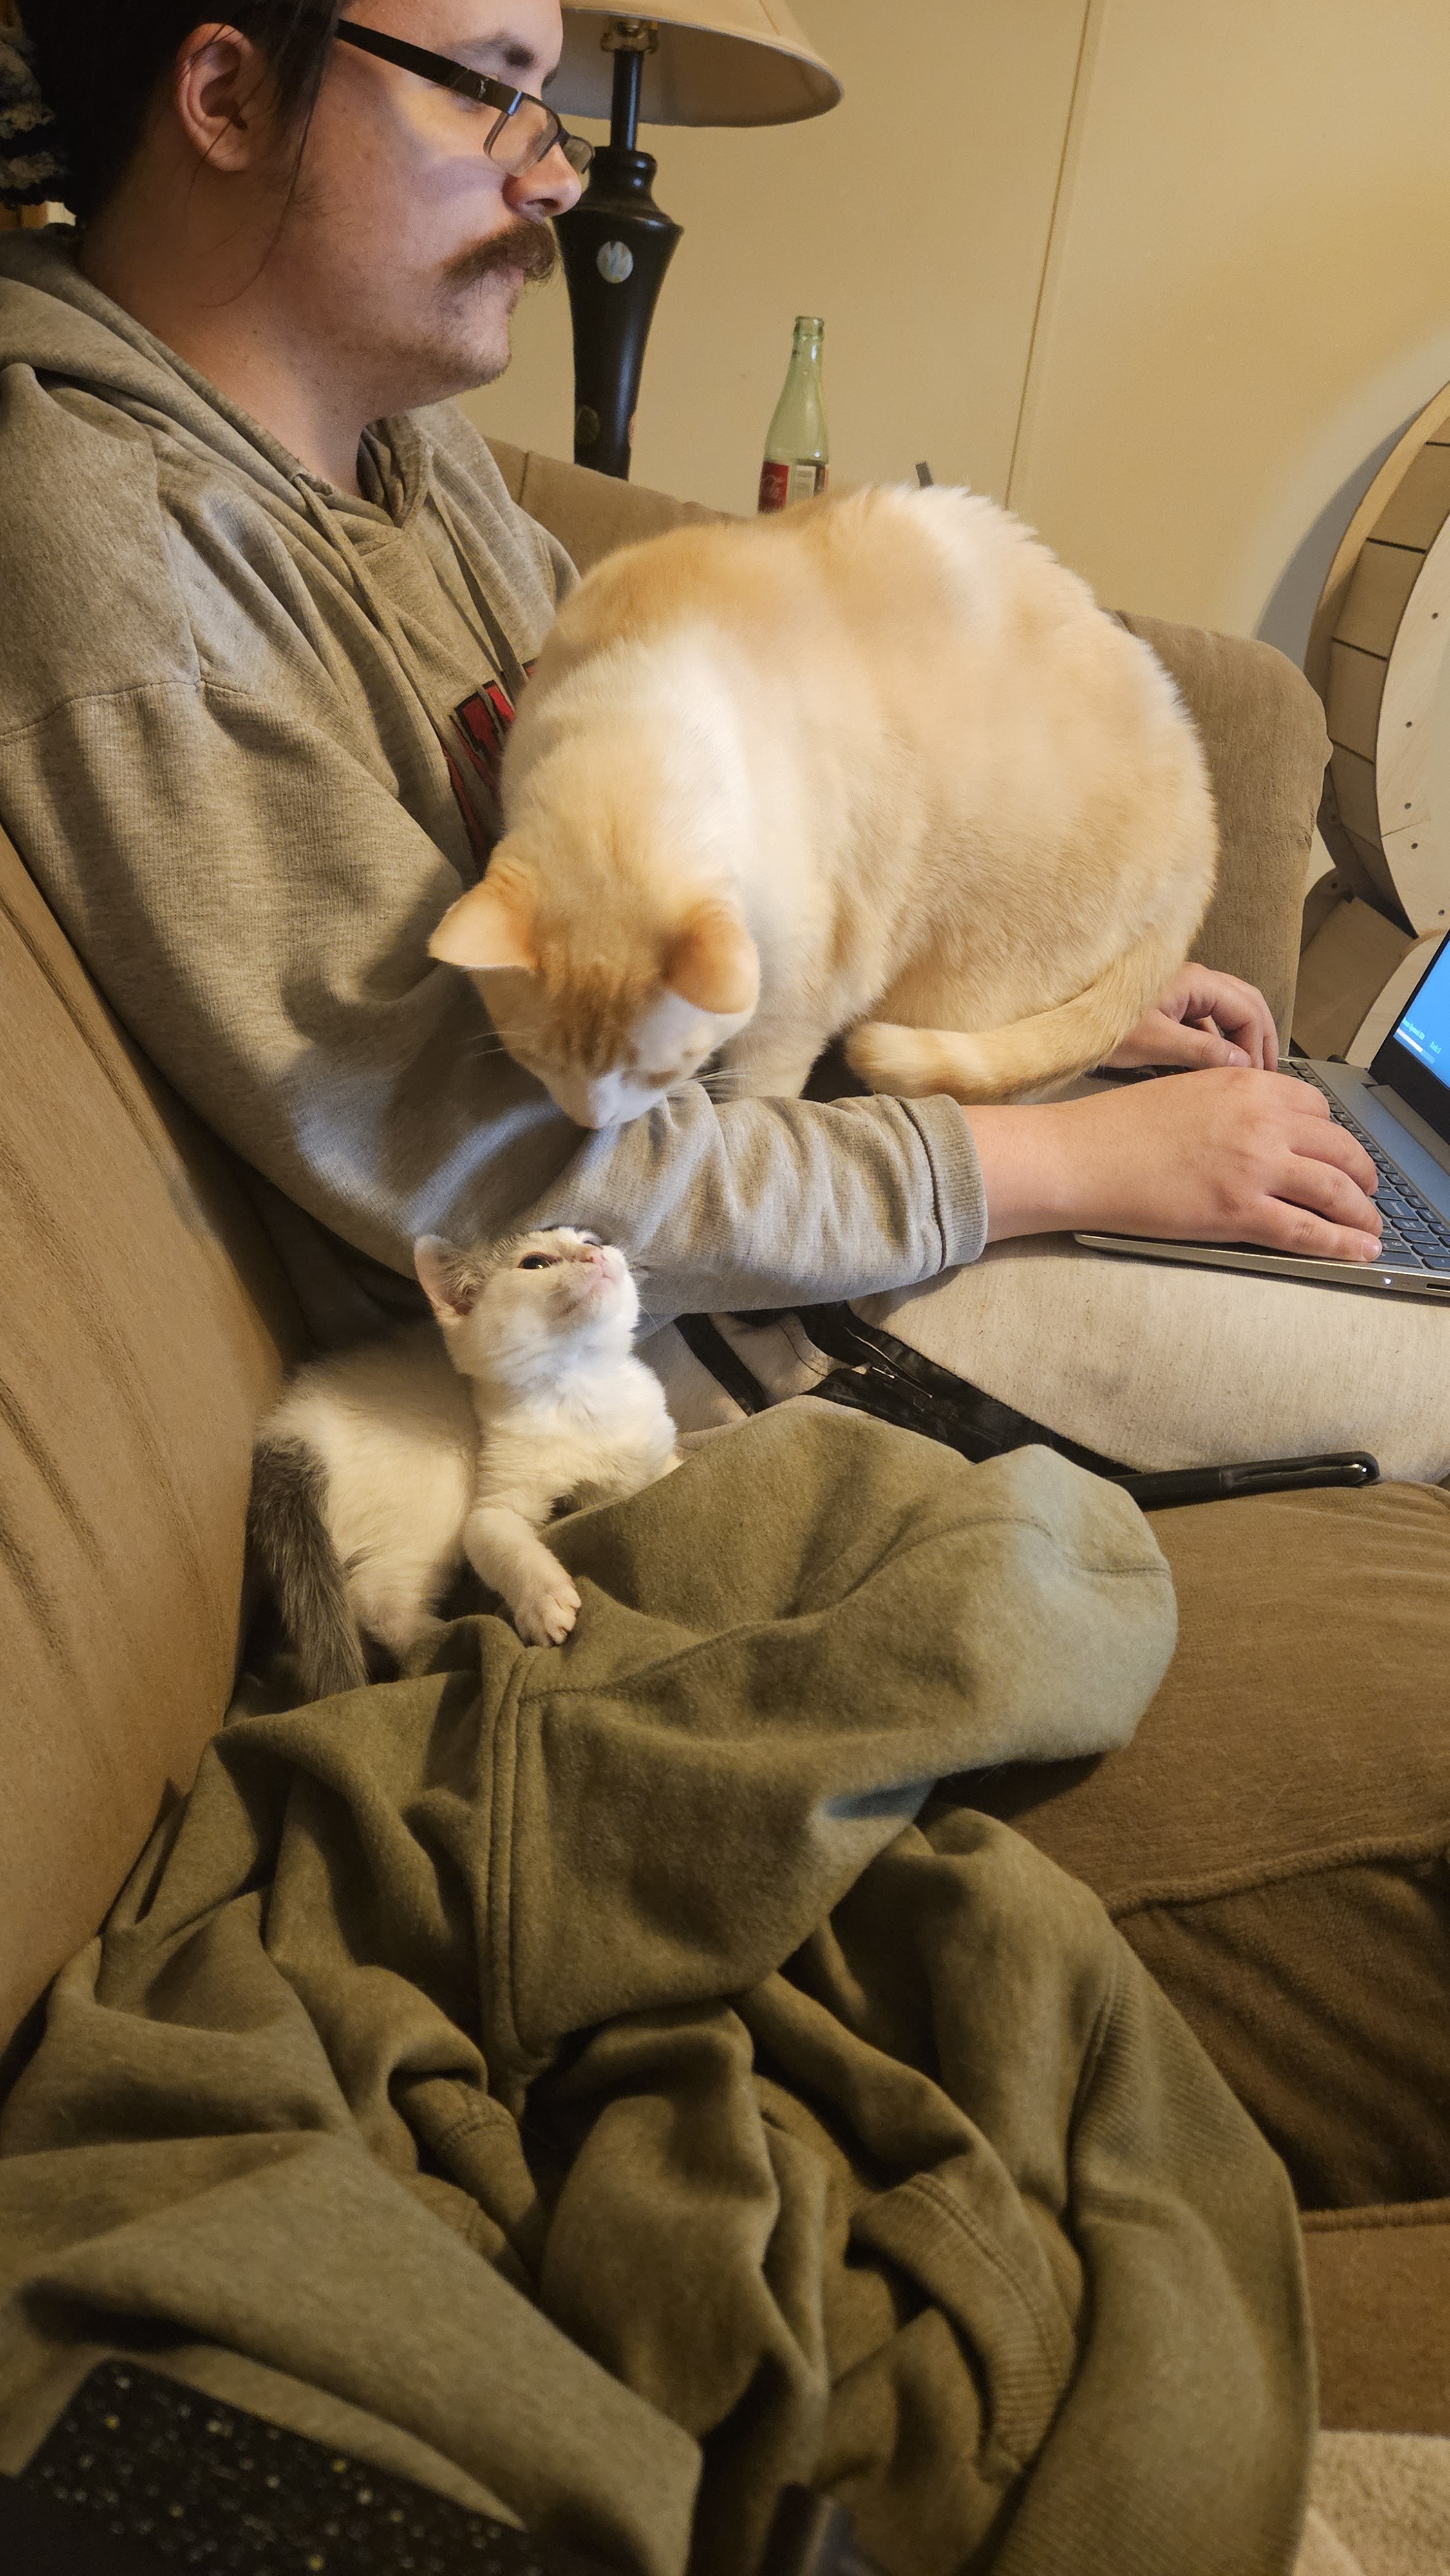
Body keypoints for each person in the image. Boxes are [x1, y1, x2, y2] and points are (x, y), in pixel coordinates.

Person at [0, 0, 1437, 1475]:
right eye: (486, 87)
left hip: (788, 1194)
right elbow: (491, 1175)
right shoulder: (127, 563)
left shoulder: (401, 443)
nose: (555, 174)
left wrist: (1010, 993)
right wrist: (1066, 1158)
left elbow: (692, 876)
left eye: (544, 98)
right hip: (658, 1333)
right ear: (228, 96)